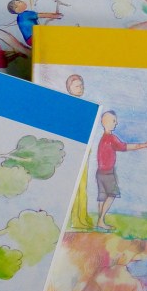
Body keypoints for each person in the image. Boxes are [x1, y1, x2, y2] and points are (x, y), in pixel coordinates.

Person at [95, 111, 147, 231]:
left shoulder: (103, 139)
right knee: (111, 195)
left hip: (100, 173)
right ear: (105, 122)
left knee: (102, 197)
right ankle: (101, 220)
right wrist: (145, 145)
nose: (116, 123)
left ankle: (100, 221)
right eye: (114, 121)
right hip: (107, 173)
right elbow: (125, 147)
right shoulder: (111, 138)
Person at [65, 74, 91, 230]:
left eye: (81, 85)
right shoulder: (70, 106)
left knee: (83, 186)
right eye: (77, 86)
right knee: (76, 185)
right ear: (69, 88)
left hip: (85, 148)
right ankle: (75, 219)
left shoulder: (84, 106)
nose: (80, 88)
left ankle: (82, 216)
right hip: (75, 149)